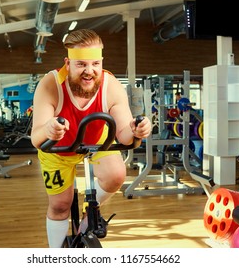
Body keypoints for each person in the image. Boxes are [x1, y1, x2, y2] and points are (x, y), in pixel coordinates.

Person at [30, 29, 152, 248]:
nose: (90, 71)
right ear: (67, 64)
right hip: (58, 149)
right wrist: (48, 130)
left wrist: (136, 129)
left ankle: (90, 212)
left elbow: (123, 133)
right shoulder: (50, 85)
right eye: (81, 65)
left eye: (95, 64)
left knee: (116, 175)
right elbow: (36, 137)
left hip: (96, 142)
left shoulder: (111, 85)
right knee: (60, 205)